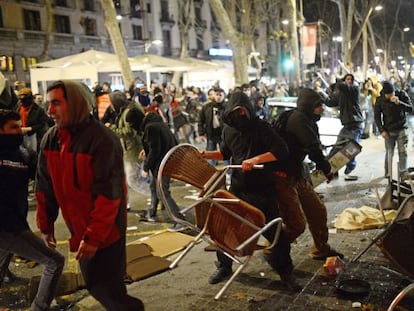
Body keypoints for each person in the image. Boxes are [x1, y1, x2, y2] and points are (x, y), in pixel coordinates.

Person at [35, 80, 144, 311]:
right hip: (80, 230)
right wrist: (45, 227)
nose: (49, 111)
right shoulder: (51, 139)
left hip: (107, 232)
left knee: (106, 289)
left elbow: (109, 196)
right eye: (48, 103)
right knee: (99, 286)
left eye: (56, 103)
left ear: (74, 103)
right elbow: (45, 188)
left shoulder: (103, 139)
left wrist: (94, 237)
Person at [203, 91, 299, 290]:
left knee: (274, 231)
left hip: (263, 190)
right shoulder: (228, 130)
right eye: (234, 113)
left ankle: (286, 271)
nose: (239, 116)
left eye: (242, 112)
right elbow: (225, 153)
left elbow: (281, 150)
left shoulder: (262, 127)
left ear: (248, 110)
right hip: (238, 188)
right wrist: (205, 155)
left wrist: (256, 159)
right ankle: (224, 265)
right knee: (227, 228)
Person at [0, 109, 65, 310]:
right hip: (8, 227)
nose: (19, 131)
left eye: (20, 126)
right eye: (13, 127)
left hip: (16, 223)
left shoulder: (23, 155)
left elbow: (45, 179)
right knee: (54, 261)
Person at [272, 88, 343, 260]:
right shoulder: (299, 119)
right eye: (318, 106)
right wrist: (327, 169)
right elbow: (313, 148)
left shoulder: (307, 120)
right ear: (309, 106)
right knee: (296, 225)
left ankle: (321, 248)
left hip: (297, 175)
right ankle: (274, 251)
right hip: (283, 177)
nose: (322, 109)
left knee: (317, 211)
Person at [139, 112, 186, 231]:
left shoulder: (151, 127)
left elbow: (155, 149)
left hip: (160, 165)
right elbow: (171, 143)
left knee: (163, 192)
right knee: (154, 187)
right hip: (168, 162)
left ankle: (180, 220)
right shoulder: (163, 126)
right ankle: (152, 212)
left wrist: (146, 166)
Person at [326, 73, 364, 181]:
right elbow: (330, 102)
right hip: (347, 124)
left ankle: (350, 167)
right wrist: (322, 93)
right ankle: (330, 169)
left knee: (351, 147)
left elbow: (343, 87)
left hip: (355, 123)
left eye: (351, 79)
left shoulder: (354, 89)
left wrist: (338, 82)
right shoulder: (342, 94)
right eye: (347, 79)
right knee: (337, 147)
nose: (349, 81)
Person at [374, 81, 413, 178]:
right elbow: (377, 117)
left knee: (402, 151)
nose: (391, 96)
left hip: (401, 127)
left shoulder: (402, 94)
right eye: (388, 95)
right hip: (388, 129)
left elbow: (411, 109)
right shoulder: (380, 100)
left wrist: (399, 103)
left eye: (392, 93)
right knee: (389, 151)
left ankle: (403, 173)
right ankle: (388, 173)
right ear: (384, 93)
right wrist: (381, 130)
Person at [16, 88, 53, 153]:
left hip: (34, 136)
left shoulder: (38, 110)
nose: (23, 102)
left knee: (33, 154)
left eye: (24, 99)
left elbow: (43, 124)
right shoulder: (18, 108)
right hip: (20, 135)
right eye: (21, 99)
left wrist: (30, 128)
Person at [198, 88, 227, 167]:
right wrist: (201, 133)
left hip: (224, 134)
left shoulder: (227, 107)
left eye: (220, 95)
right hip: (211, 133)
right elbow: (201, 121)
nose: (218, 97)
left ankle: (228, 172)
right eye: (217, 95)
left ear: (224, 96)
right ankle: (211, 171)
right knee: (210, 154)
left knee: (225, 154)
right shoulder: (207, 107)